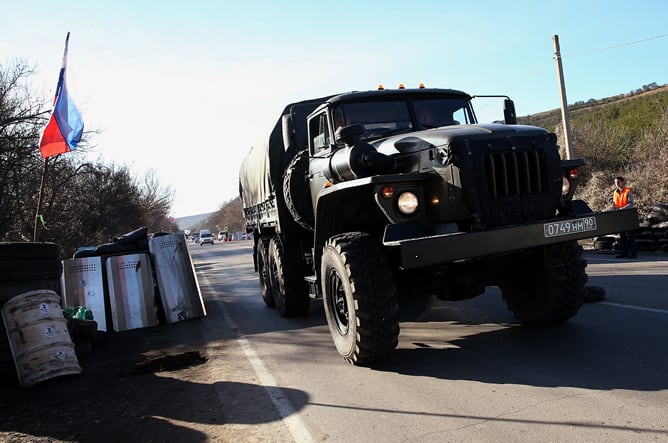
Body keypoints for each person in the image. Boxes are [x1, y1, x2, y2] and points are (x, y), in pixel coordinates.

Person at [612, 176, 637, 258]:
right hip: (620, 216)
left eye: (618, 182)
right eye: (616, 182)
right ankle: (624, 253)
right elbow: (615, 204)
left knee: (631, 236)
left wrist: (621, 209)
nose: (617, 184)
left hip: (628, 215)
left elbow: (631, 203)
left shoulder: (628, 191)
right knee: (622, 236)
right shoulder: (615, 192)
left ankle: (633, 254)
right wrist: (614, 209)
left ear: (622, 182)